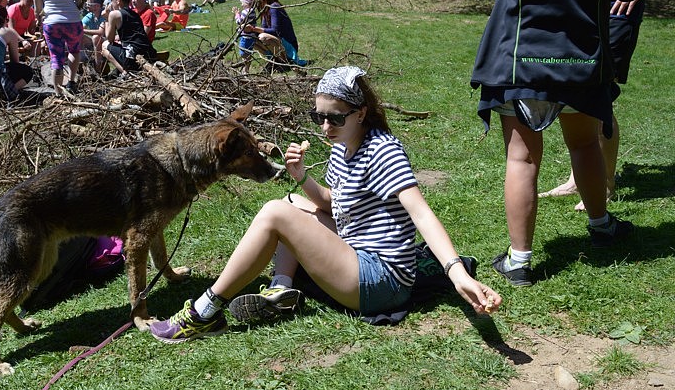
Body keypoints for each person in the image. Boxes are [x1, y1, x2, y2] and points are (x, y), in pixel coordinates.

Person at [150, 66, 503, 343]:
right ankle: (281, 287)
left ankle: (204, 312)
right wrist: (301, 176)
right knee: (288, 202)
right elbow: (333, 203)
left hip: (381, 281)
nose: (325, 126)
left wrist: (456, 272)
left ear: (361, 113)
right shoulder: (342, 146)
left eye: (335, 117)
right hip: (359, 251)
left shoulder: (383, 151)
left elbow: (421, 212)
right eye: (319, 116)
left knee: (276, 213)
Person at [469, 0, 643, 287]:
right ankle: (601, 226)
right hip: (581, 59)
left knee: (522, 158)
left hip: (521, 60)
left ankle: (519, 261)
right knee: (584, 144)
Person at [538, 0, 675, 211]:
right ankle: (579, 178)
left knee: (599, 95)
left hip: (616, 13)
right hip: (576, 11)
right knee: (576, 95)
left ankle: (604, 182)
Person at [32, 0, 84, 96]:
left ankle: (58, 93)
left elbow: (38, 10)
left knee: (56, 58)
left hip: (52, 23)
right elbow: (80, 1)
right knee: (74, 51)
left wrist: (39, 23)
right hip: (73, 20)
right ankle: (72, 81)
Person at [243, 0, 305, 67]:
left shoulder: (274, 7)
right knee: (252, 39)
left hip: (288, 45)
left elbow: (275, 31)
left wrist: (254, 29)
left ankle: (285, 61)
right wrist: (249, 30)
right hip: (278, 42)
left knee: (263, 37)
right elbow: (264, 29)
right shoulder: (266, 8)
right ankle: (274, 60)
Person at [101, 0, 156, 78]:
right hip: (149, 53)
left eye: (112, 0)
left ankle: (125, 72)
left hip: (132, 57)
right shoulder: (135, 14)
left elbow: (109, 39)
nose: (111, 4)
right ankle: (126, 71)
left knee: (104, 45)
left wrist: (107, 19)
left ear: (118, 0)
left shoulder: (114, 14)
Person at [231, 0, 256, 73]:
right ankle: (246, 70)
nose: (241, 5)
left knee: (244, 54)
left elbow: (239, 22)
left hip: (246, 37)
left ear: (247, 3)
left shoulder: (245, 12)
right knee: (248, 53)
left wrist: (236, 14)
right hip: (252, 36)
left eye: (242, 3)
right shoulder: (253, 11)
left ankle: (245, 70)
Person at [81, 0, 106, 73]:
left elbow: (101, 32)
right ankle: (82, 60)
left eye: (89, 4)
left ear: (97, 6)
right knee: (79, 36)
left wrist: (83, 31)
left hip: (106, 40)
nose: (87, 6)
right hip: (94, 41)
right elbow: (80, 28)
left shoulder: (104, 15)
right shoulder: (90, 16)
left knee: (96, 37)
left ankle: (97, 67)